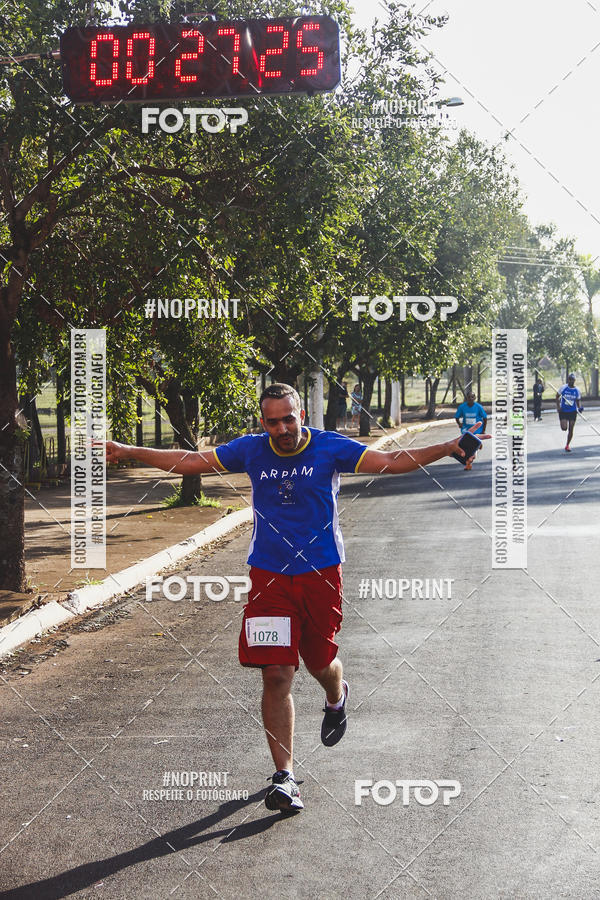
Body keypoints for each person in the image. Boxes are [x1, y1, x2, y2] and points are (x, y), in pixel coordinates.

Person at [104, 383, 489, 813]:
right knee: (276, 674)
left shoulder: (329, 448)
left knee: (320, 662)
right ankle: (284, 778)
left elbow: (390, 462)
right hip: (269, 578)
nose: (283, 429)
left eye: (289, 418)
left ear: (301, 413)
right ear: (263, 422)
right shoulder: (251, 450)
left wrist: (449, 445)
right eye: (273, 422)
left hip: (321, 575)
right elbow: (191, 461)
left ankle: (336, 693)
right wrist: (129, 450)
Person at [454, 392, 487, 470]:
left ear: (474, 398)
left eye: (472, 397)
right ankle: (477, 448)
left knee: (472, 446)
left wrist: (483, 430)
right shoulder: (462, 407)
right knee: (466, 447)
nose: (470, 399)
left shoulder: (478, 407)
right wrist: (459, 424)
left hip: (477, 430)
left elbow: (485, 418)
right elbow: (457, 416)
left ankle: (468, 463)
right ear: (466, 398)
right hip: (466, 429)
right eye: (469, 397)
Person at [556, 373, 583, 452]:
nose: (571, 381)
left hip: (572, 411)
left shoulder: (577, 390)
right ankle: (564, 423)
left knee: (571, 429)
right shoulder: (563, 388)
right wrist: (558, 407)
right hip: (563, 411)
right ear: (568, 380)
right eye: (570, 379)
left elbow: (578, 400)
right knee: (564, 428)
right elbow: (557, 396)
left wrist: (580, 408)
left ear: (574, 380)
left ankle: (567, 445)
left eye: (572, 380)